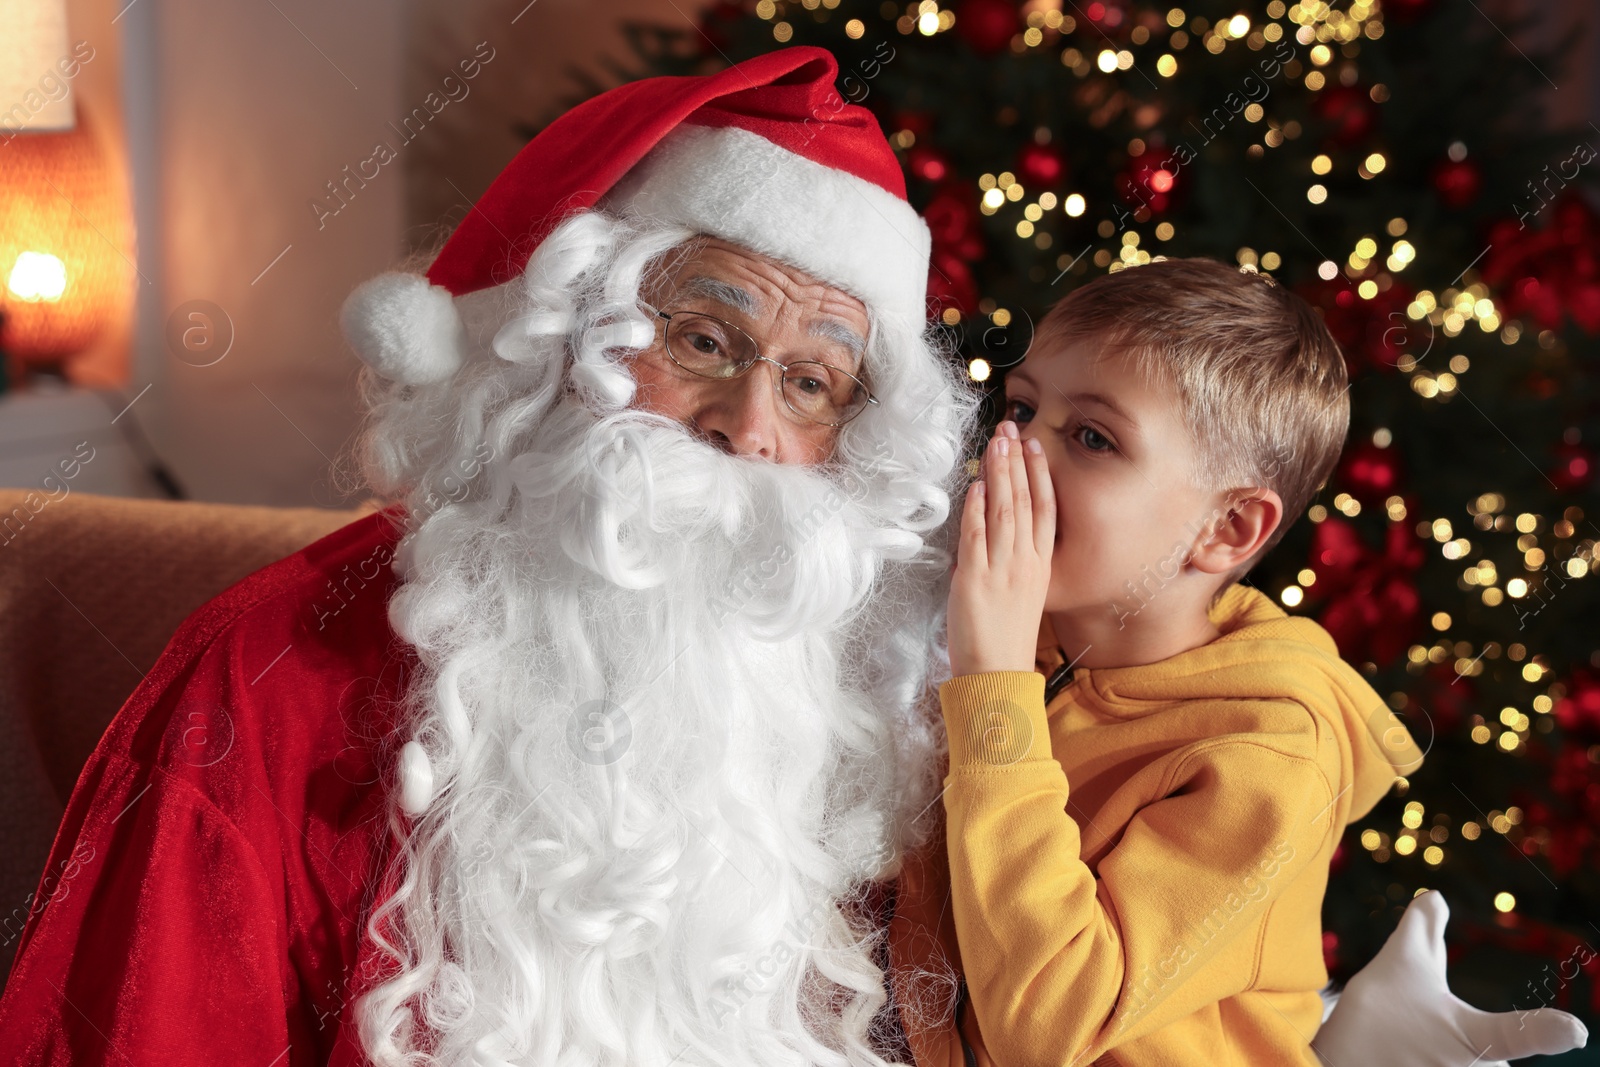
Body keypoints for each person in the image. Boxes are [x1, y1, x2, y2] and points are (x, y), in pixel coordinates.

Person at [0, 47, 1580, 1067]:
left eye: (816, 382)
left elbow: (1114, 974)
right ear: (565, 339)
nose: (754, 430)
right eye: (701, 337)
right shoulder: (272, 672)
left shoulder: (881, 661)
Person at [931, 257, 1589, 1066]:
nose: (1018, 449)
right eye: (1024, 406)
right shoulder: (1017, 629)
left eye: (1093, 436)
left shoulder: (1269, 755)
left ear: (1229, 529)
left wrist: (992, 684)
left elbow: (1048, 1025)